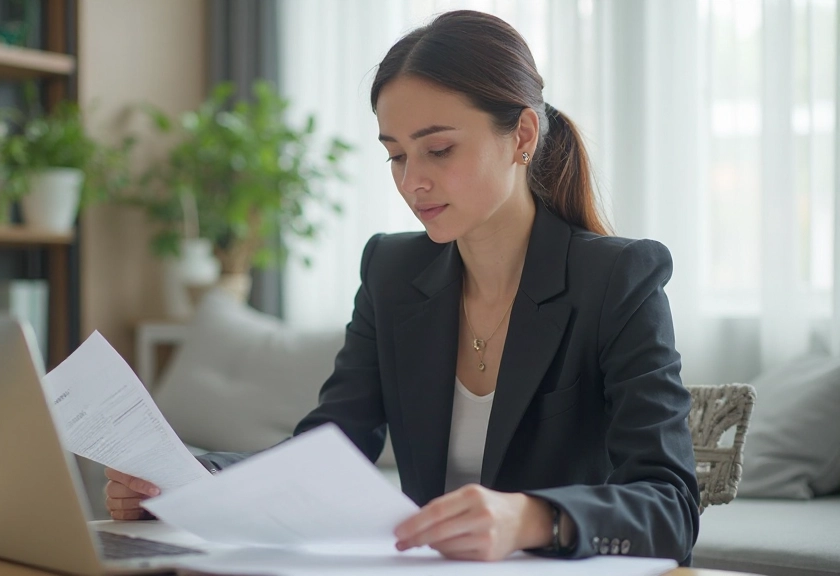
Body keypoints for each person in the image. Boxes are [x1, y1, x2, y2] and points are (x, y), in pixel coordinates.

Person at [105, 9, 699, 564]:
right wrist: (194, 481)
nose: (413, 182)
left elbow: (671, 505)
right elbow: (329, 451)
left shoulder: (617, 279)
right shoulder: (391, 271)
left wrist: (530, 518)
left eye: (439, 150)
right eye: (395, 156)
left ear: (522, 136)